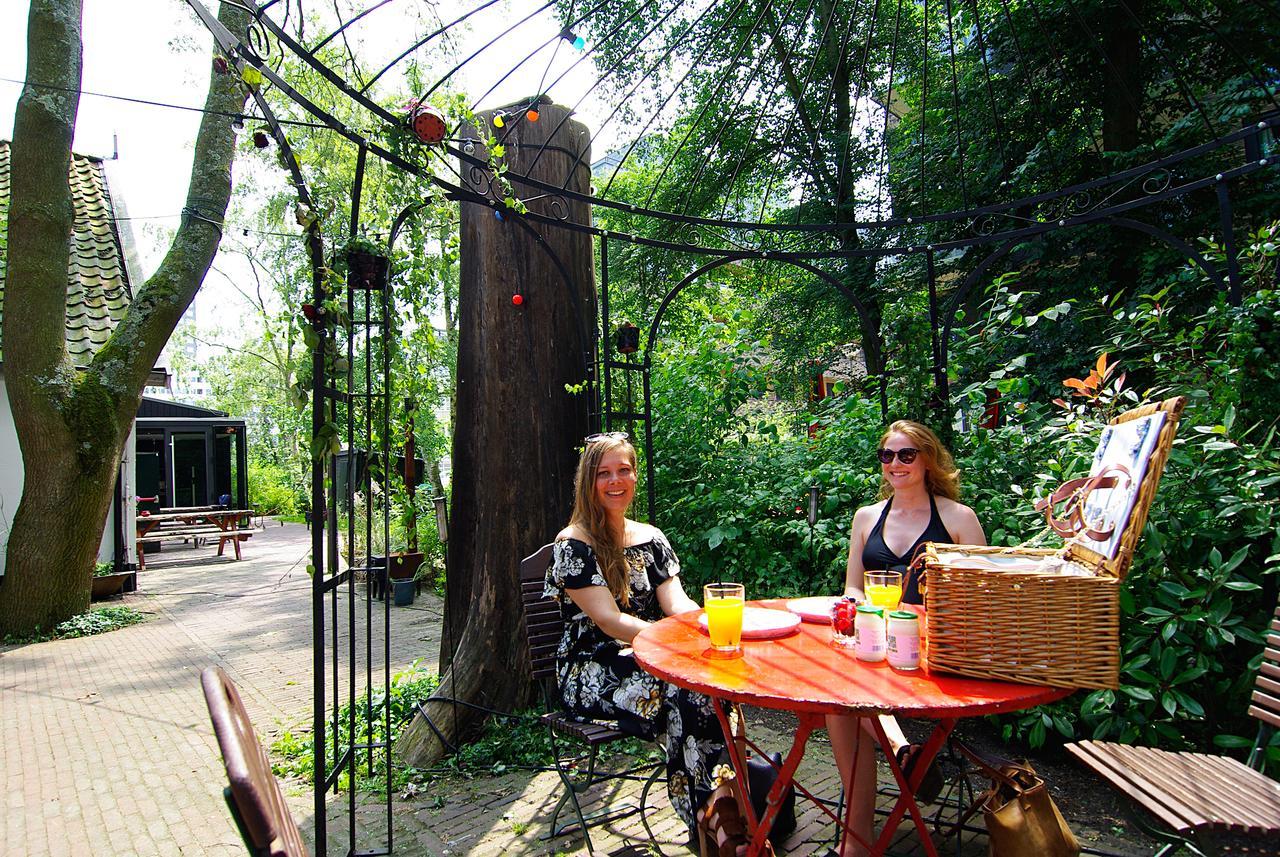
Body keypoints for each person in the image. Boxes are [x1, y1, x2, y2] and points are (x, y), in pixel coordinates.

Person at [544, 432, 748, 855]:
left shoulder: (651, 538)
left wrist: (706, 625)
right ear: (588, 481)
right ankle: (720, 816)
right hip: (591, 668)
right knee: (685, 688)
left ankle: (718, 814)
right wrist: (673, 644)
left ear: (635, 475)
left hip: (648, 656)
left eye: (624, 470)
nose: (615, 481)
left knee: (708, 682)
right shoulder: (573, 544)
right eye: (604, 473)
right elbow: (609, 621)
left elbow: (677, 604)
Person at [827, 420, 985, 857]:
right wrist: (856, 609)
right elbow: (853, 588)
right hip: (875, 646)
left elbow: (975, 599)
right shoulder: (866, 518)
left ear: (928, 459)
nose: (895, 464)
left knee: (844, 702)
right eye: (887, 456)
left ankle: (895, 762)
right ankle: (857, 839)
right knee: (836, 703)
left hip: (933, 655)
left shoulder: (957, 519)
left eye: (906, 454)